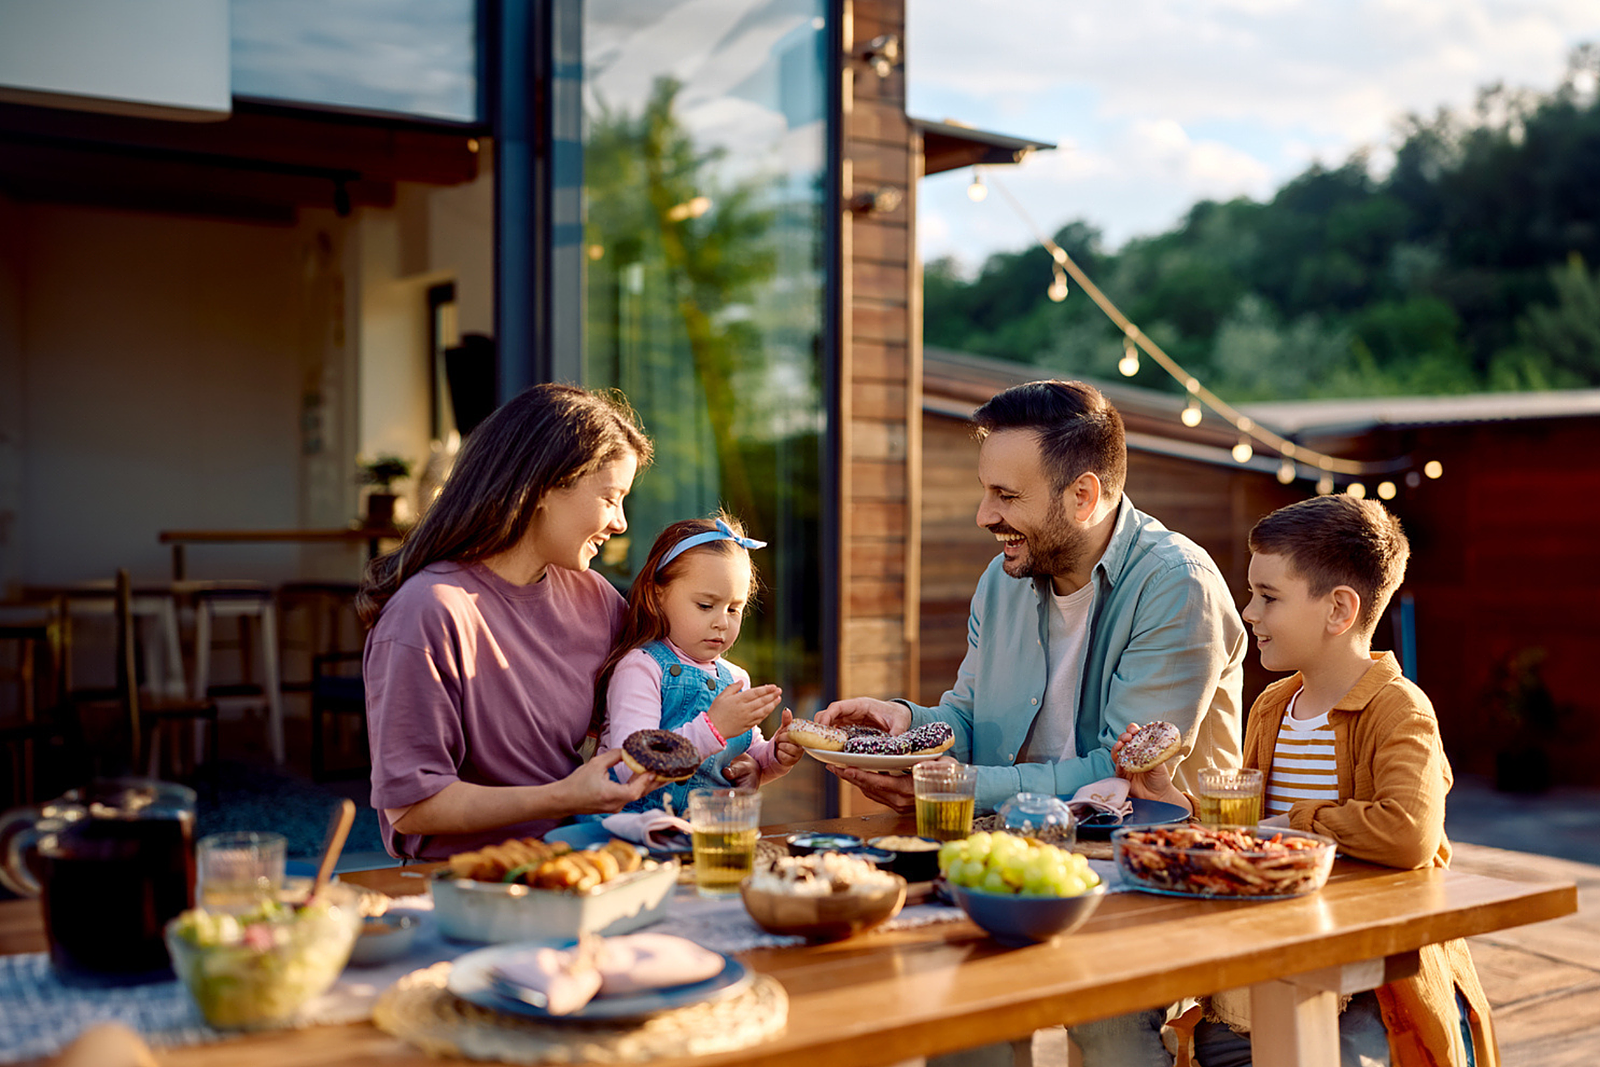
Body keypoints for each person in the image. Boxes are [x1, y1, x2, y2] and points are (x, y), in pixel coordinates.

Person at [818, 378, 1247, 1067]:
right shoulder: (1003, 578)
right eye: (987, 491)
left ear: (1082, 497)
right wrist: (907, 721)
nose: (984, 514)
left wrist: (960, 784)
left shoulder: (1178, 583)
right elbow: (969, 713)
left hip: (1143, 868)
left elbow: (1124, 768)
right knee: (959, 1016)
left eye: (1007, 496)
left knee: (1103, 1020)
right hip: (1017, 857)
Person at [1119, 495, 1496, 1067]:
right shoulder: (1273, 705)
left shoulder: (1399, 710)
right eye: (1252, 594)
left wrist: (1291, 825)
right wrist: (1181, 805)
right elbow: (1250, 831)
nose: (1249, 612)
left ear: (1339, 609)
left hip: (1370, 984)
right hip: (1274, 961)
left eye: (1268, 597)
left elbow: (1408, 834)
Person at [358, 383, 663, 860]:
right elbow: (413, 808)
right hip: (466, 884)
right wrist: (564, 796)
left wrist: (759, 753)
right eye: (610, 498)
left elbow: (663, 711)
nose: (621, 522)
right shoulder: (428, 614)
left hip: (585, 861)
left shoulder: (597, 600)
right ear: (544, 487)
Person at [596, 513, 803, 812]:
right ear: (658, 596)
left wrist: (773, 757)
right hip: (632, 836)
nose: (722, 622)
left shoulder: (735, 679)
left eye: (734, 609)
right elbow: (633, 766)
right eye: (705, 606)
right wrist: (714, 727)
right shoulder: (641, 668)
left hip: (701, 841)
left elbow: (744, 758)